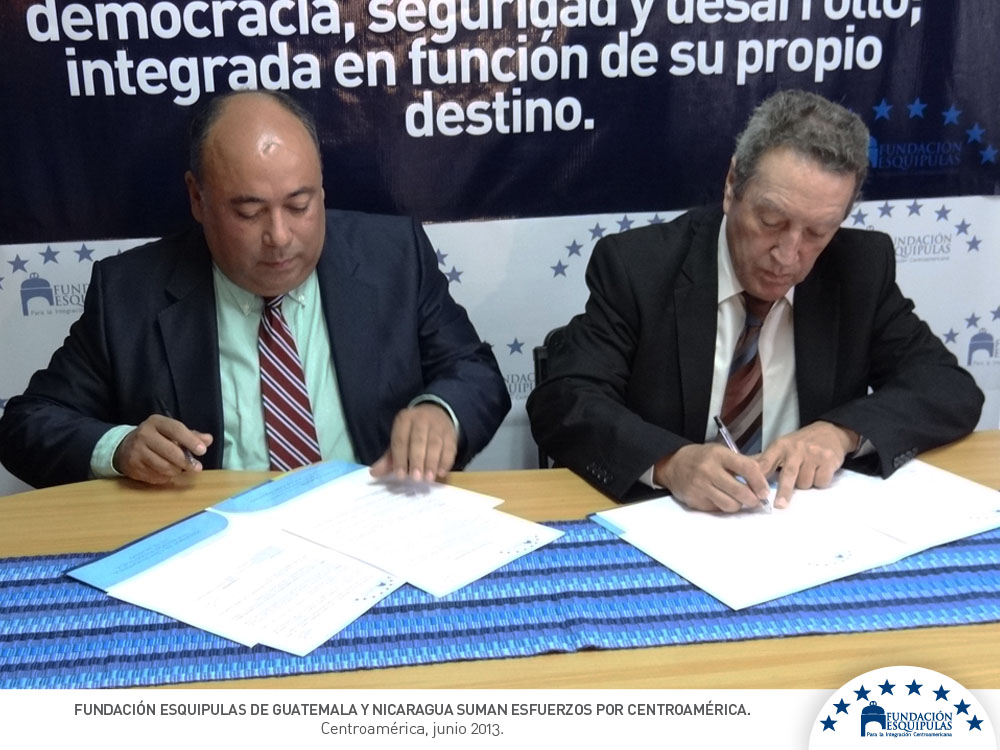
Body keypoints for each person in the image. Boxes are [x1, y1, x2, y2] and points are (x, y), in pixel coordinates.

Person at [0, 90, 510, 489]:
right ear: (197, 198)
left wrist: (441, 412)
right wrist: (119, 447)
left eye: (300, 205)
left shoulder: (394, 255)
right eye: (248, 212)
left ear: (322, 188)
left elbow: (476, 373)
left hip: (375, 524)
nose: (280, 237)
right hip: (213, 545)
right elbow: (27, 424)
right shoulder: (129, 293)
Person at [527, 90, 983, 511]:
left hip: (804, 526)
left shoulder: (859, 268)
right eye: (771, 220)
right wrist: (669, 462)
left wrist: (842, 433)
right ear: (732, 186)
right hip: (673, 525)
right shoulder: (639, 268)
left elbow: (947, 387)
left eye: (817, 233)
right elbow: (565, 400)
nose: (788, 255)